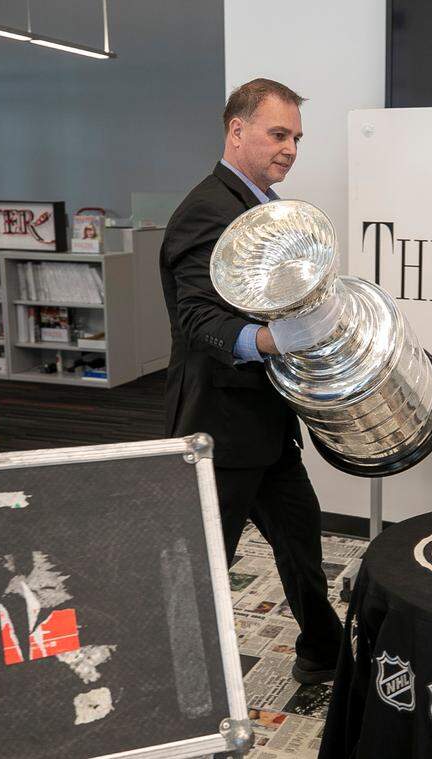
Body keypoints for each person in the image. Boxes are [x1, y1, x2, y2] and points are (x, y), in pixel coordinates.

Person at [160, 79, 343, 684]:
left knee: (300, 546)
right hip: (218, 426)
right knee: (205, 563)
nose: (290, 148)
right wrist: (266, 341)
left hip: (266, 420)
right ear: (237, 131)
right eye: (278, 134)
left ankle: (324, 652)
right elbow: (196, 317)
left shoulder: (259, 207)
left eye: (296, 138)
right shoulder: (208, 208)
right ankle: (178, 684)